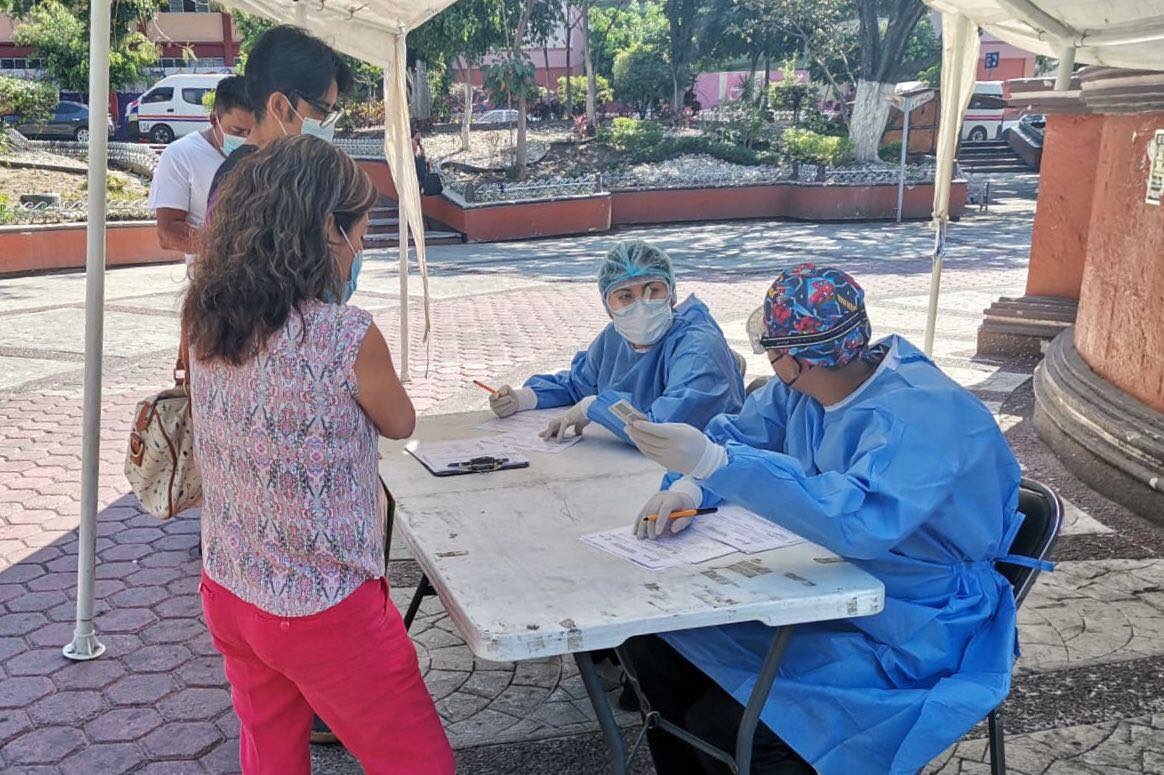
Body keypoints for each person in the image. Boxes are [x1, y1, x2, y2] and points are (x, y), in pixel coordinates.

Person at [622, 264, 1038, 774]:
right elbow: (743, 435)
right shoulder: (803, 386)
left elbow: (857, 522)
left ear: (791, 359)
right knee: (655, 647)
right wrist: (691, 484)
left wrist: (713, 463)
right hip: (839, 583)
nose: (773, 365)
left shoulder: (926, 415)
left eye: (774, 352)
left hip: (923, 617)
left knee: (732, 724)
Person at [182, 135, 455, 775]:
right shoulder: (345, 334)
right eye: (358, 230)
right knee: (419, 764)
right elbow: (401, 420)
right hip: (324, 605)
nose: (361, 247)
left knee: (270, 755)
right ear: (323, 230)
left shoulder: (206, 320)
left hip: (231, 586)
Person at [489, 240, 745, 444]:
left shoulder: (699, 345)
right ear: (608, 307)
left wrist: (595, 405)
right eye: (625, 296)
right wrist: (522, 399)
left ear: (672, 294)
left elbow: (661, 429)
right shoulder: (615, 337)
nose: (640, 305)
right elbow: (580, 383)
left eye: (652, 290)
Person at [206, 24, 354, 207]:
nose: (325, 124)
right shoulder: (247, 183)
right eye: (321, 111)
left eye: (331, 112)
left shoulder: (287, 168)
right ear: (279, 106)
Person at [148, 75, 253, 264]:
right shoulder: (180, 155)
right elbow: (167, 232)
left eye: (252, 132)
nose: (246, 139)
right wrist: (235, 248)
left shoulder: (266, 151)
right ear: (214, 120)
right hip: (213, 284)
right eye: (237, 132)